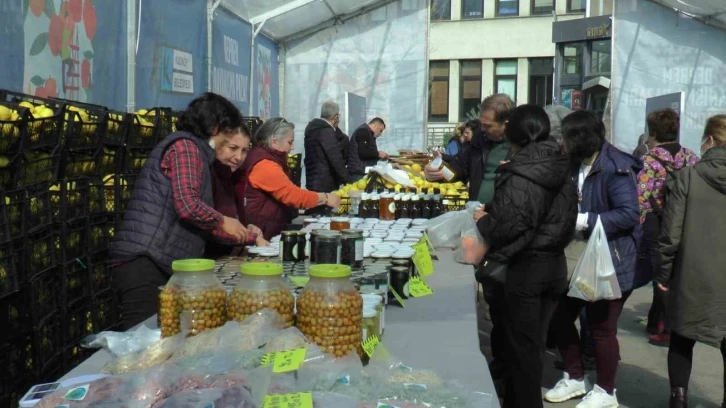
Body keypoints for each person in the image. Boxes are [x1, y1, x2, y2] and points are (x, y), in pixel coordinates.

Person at [109, 92, 250, 330]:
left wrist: (243, 234)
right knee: (143, 339)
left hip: (159, 259)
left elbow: (195, 216)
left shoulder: (196, 152)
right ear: (215, 127)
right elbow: (188, 205)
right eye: (228, 134)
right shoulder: (186, 147)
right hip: (147, 260)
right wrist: (223, 221)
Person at [474, 105, 577, 408]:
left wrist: (483, 219)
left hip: (526, 271)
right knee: (532, 347)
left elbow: (506, 226)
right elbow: (564, 219)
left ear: (512, 134)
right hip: (554, 265)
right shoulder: (560, 165)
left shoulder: (520, 172)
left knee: (523, 353)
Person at [546, 110, 641, 408]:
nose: (562, 142)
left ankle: (606, 390)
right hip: (576, 257)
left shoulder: (616, 167)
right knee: (560, 316)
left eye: (566, 137)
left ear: (581, 138)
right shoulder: (573, 165)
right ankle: (575, 377)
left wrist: (586, 219)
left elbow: (628, 214)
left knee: (601, 328)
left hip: (610, 259)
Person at [655, 115, 726, 408]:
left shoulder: (688, 176)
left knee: (682, 336)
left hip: (692, 274)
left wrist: (663, 273)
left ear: (709, 140)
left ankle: (679, 398)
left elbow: (671, 233)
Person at [635, 109, 698, 346]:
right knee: (675, 273)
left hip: (656, 222)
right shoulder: (691, 157)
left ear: (652, 132)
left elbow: (641, 198)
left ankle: (668, 327)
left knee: (659, 274)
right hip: (683, 221)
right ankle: (656, 320)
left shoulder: (649, 160)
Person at [242, 117, 342, 239]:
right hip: (262, 231)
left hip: (266, 227)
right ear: (274, 142)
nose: (292, 147)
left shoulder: (264, 158)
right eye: (290, 142)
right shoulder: (264, 164)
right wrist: (325, 198)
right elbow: (292, 195)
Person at [204, 123, 269, 259]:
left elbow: (232, 219)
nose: (239, 157)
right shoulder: (208, 176)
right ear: (216, 144)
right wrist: (250, 237)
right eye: (233, 148)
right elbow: (209, 225)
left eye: (244, 150)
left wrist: (248, 227)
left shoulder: (233, 176)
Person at [304, 101, 354, 192]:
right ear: (336, 117)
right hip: (324, 182)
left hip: (313, 180)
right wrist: (349, 182)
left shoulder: (314, 128)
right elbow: (336, 158)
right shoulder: (326, 132)